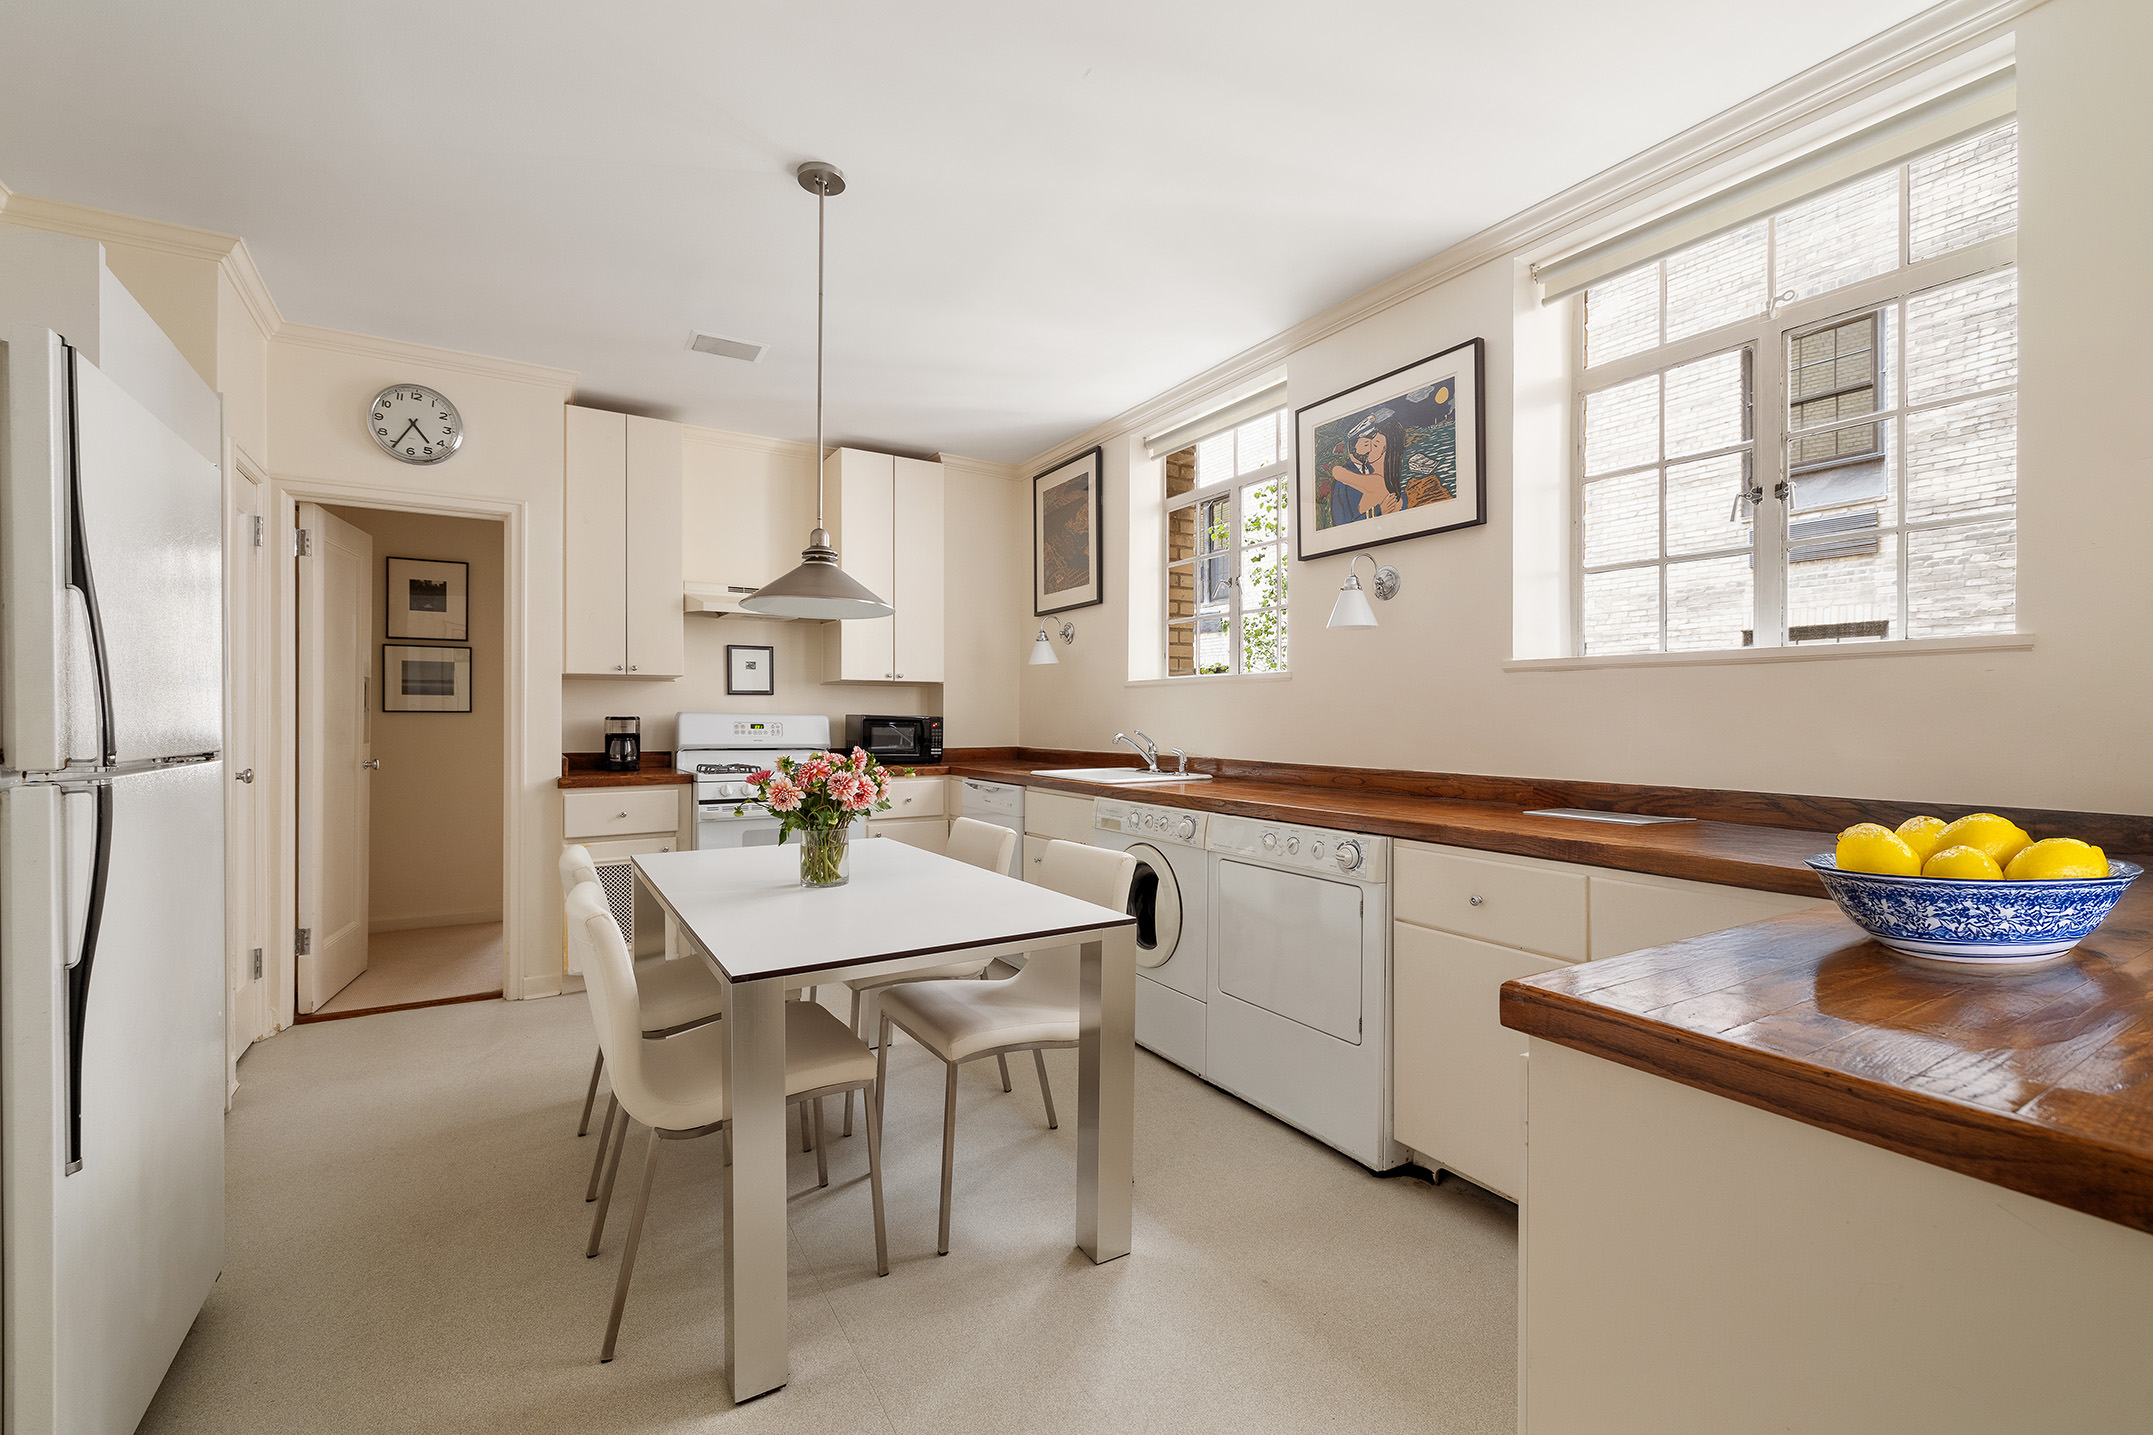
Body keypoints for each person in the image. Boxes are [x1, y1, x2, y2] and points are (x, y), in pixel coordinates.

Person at [1328, 408, 1407, 523]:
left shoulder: (1374, 475)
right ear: (1352, 447)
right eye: (1366, 443)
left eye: (1373, 444)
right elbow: (1341, 523)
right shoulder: (1343, 483)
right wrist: (1379, 511)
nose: (1369, 448)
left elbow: (1337, 472)